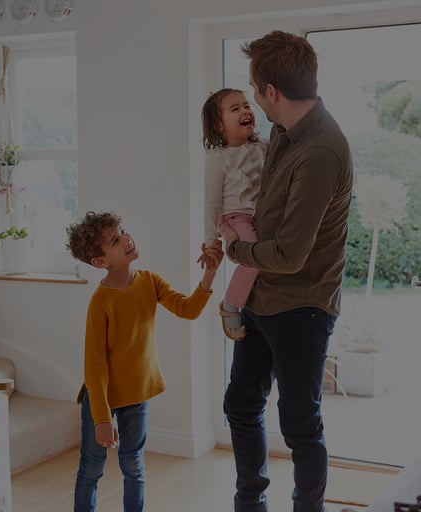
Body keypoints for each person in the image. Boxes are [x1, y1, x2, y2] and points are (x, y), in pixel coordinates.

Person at [219, 31, 354, 512]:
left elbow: (291, 255)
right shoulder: (281, 132)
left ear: (271, 91)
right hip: (261, 299)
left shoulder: (320, 151)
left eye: (255, 89)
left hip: (301, 306)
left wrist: (235, 249)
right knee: (240, 405)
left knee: (299, 425)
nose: (254, 99)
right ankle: (250, 505)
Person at [66, 211, 224, 512]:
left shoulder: (150, 282)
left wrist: (210, 274)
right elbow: (95, 365)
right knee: (91, 469)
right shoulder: (101, 302)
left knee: (133, 466)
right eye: (115, 240)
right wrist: (101, 418)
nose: (126, 238)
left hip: (136, 394)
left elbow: (188, 309)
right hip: (101, 398)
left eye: (122, 231)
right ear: (100, 262)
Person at [200, 88, 268, 341]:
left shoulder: (261, 145)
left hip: (256, 214)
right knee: (253, 255)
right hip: (233, 216)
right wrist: (210, 241)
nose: (245, 111)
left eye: (246, 105)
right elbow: (211, 202)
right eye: (235, 109)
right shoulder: (218, 158)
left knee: (259, 255)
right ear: (219, 125)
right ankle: (230, 304)